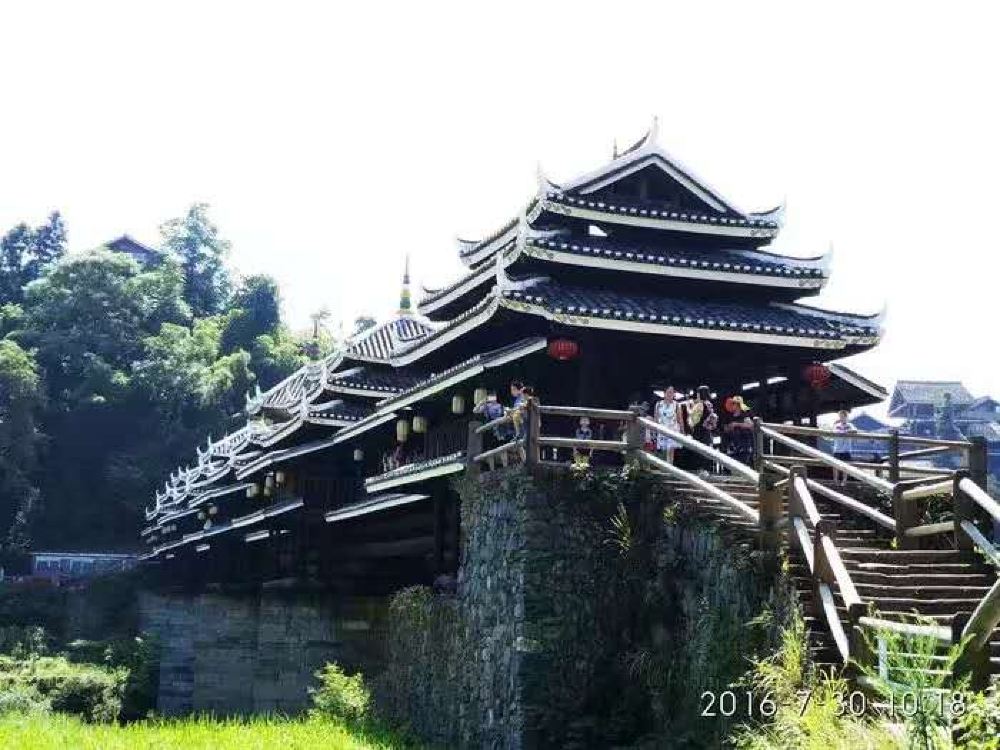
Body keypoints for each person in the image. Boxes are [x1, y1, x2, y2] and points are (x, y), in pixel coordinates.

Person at [687, 385, 718, 475]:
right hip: (707, 430)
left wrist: (689, 408)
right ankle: (706, 470)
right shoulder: (710, 404)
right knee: (706, 451)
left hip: (699, 430)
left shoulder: (700, 404)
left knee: (699, 451)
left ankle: (701, 470)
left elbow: (694, 419)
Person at [724, 395, 755, 466]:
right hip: (732, 445)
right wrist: (728, 428)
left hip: (744, 445)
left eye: (733, 403)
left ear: (738, 405)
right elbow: (725, 428)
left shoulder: (745, 414)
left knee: (743, 464)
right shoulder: (729, 416)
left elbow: (751, 426)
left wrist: (737, 424)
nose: (732, 405)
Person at [653, 386, 682, 464]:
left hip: (673, 430)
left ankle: (670, 469)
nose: (670, 394)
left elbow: (680, 419)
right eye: (668, 392)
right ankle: (663, 469)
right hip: (662, 430)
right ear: (664, 393)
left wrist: (682, 431)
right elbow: (656, 418)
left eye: (672, 392)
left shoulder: (676, 404)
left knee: (671, 450)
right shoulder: (659, 404)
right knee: (663, 451)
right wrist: (655, 430)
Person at [831, 409, 856, 486]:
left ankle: (844, 481)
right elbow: (834, 432)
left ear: (846, 417)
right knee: (835, 466)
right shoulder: (836, 425)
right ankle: (835, 481)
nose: (841, 418)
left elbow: (855, 430)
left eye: (843, 416)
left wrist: (847, 431)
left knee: (845, 466)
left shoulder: (850, 425)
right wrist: (844, 432)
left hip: (846, 449)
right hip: (837, 449)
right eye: (840, 416)